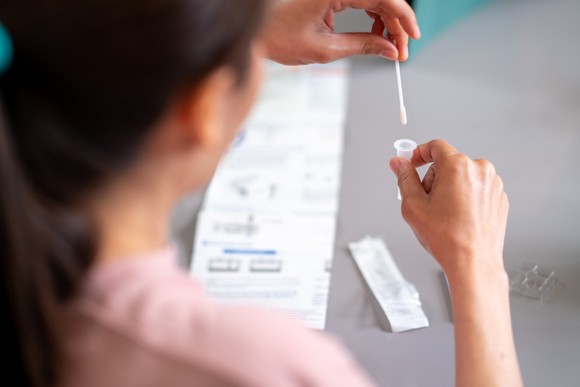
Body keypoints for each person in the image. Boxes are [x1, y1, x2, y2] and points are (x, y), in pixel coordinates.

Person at [0, 0, 522, 386]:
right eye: (252, 53)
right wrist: (476, 266)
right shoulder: (262, 366)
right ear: (201, 109)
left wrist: (236, 29)